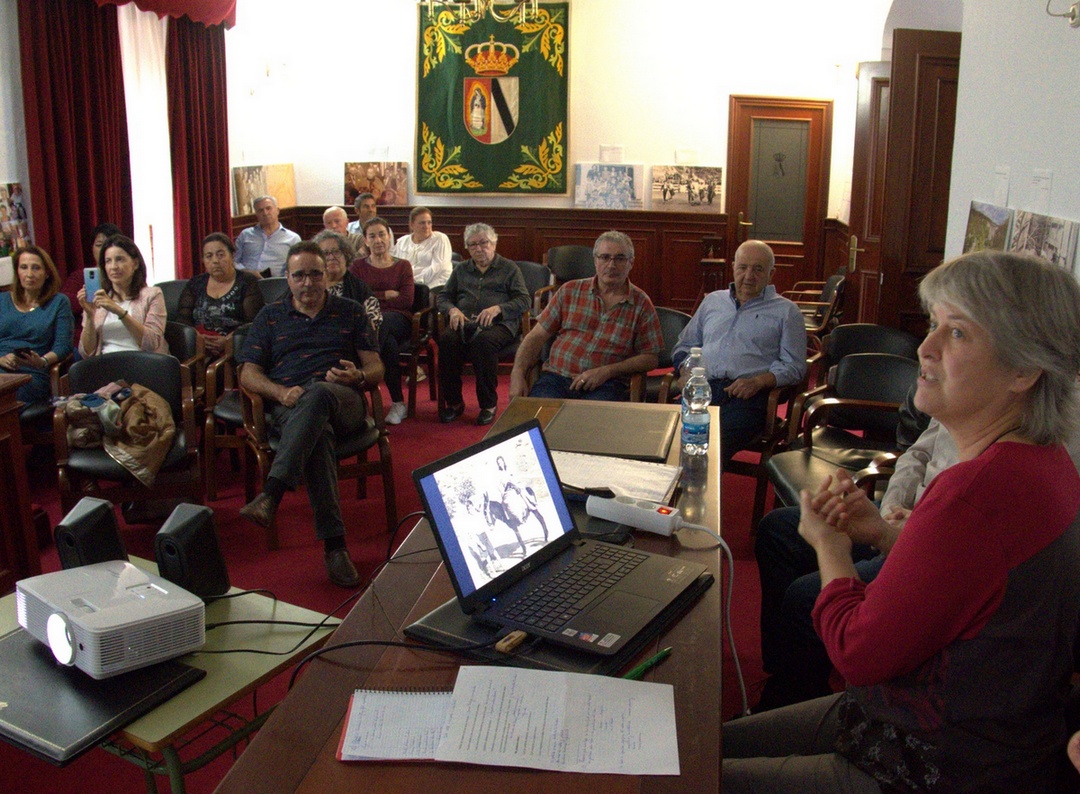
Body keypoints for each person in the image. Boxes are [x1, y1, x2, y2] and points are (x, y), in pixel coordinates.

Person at [724, 250, 1080, 793]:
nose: (925, 347)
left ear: (1024, 370)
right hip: (975, 731)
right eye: (934, 325)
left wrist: (831, 545)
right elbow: (971, 581)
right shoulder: (1044, 460)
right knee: (703, 741)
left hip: (932, 761)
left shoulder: (976, 491)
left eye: (956, 333)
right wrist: (880, 532)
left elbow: (857, 653)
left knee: (687, 773)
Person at [236, 241, 383, 588]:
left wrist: (358, 377)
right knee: (318, 435)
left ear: (327, 275)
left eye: (315, 274)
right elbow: (248, 374)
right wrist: (280, 392)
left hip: (344, 400)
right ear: (287, 277)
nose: (308, 283)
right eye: (299, 275)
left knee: (318, 393)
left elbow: (376, 367)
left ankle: (271, 493)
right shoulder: (270, 316)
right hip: (292, 406)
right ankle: (335, 547)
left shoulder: (350, 311)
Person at [672, 239, 806, 466]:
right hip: (703, 389)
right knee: (668, 436)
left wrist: (759, 381)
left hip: (748, 398)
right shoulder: (713, 301)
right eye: (742, 268)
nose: (748, 275)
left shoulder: (786, 312)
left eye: (758, 269)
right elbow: (684, 345)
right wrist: (684, 371)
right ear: (733, 267)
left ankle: (698, 498)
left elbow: (795, 366)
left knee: (711, 447)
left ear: (771, 274)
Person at [509, 230, 663, 402]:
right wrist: (517, 373)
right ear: (595, 260)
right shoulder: (569, 291)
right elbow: (535, 337)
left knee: (591, 426)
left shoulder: (641, 304)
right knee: (537, 422)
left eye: (620, 258)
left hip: (606, 384)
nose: (611, 265)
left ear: (631, 263)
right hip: (556, 378)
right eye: (605, 257)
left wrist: (608, 371)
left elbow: (650, 358)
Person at [436, 223, 529, 426]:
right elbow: (443, 297)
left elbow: (524, 300)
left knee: (483, 343)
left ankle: (488, 404)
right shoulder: (461, 269)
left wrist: (498, 309)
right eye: (473, 245)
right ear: (467, 248)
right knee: (447, 340)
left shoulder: (509, 268)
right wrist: (452, 309)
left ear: (494, 243)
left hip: (499, 325)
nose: (479, 249)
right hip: (466, 322)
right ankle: (454, 403)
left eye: (484, 243)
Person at [350, 217, 414, 425]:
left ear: (389, 237)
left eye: (382, 235)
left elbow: (406, 300)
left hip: (399, 319)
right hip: (366, 321)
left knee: (383, 321)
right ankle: (398, 402)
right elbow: (354, 298)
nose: (378, 240)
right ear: (365, 241)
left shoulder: (403, 266)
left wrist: (373, 296)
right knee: (389, 346)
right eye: (372, 236)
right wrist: (386, 294)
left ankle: (367, 373)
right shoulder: (357, 267)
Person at [0, 246, 74, 403]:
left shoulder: (59, 302)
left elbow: (63, 347)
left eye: (36, 268)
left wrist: (42, 361)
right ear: (17, 272)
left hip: (32, 373)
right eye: (23, 267)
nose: (29, 274)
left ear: (47, 273)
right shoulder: (2, 300)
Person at [77, 235, 168, 357]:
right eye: (108, 261)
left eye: (119, 259)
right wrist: (89, 315)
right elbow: (86, 353)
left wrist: (119, 311)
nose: (113, 267)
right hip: (105, 366)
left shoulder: (152, 294)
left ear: (135, 264)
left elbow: (151, 344)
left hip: (144, 365)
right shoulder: (98, 299)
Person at [177, 233, 264, 359]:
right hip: (199, 348)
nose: (215, 261)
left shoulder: (246, 282)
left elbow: (255, 322)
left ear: (232, 255)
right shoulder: (195, 283)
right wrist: (198, 338)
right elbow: (182, 320)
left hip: (237, 348)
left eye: (220, 255)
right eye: (209, 256)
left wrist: (230, 340)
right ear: (203, 260)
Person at [312, 230, 382, 336]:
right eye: (325, 253)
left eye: (336, 252)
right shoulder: (308, 286)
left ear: (346, 256)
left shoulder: (360, 289)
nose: (331, 257)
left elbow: (372, 325)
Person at [61, 222, 121, 339]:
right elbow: (64, 304)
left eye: (109, 245)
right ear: (92, 248)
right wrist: (84, 300)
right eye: (99, 245)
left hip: (117, 334)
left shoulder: (126, 278)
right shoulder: (80, 277)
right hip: (86, 336)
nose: (104, 249)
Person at [234, 196, 301, 277]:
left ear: (277, 211)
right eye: (260, 210)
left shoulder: (293, 239)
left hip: (277, 284)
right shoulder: (245, 235)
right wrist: (245, 271)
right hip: (246, 281)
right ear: (256, 214)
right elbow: (234, 261)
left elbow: (298, 266)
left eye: (268, 208)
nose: (265, 213)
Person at [391, 206, 453, 288]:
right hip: (406, 285)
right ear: (412, 225)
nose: (427, 226)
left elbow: (438, 268)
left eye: (429, 222)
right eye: (422, 223)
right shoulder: (402, 242)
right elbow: (394, 266)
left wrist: (414, 281)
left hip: (435, 285)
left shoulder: (440, 239)